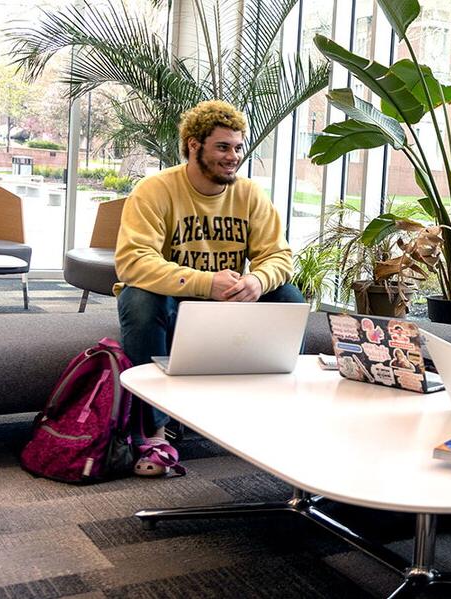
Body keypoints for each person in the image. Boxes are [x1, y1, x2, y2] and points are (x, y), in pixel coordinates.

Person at [114, 100, 304, 477]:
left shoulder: (249, 194)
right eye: (222, 147)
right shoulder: (155, 190)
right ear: (192, 145)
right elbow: (133, 262)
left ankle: (266, 413)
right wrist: (204, 282)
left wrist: (257, 280)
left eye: (237, 147)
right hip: (172, 298)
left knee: (288, 298)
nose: (233, 156)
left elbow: (279, 257)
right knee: (138, 299)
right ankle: (155, 431)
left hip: (228, 301)